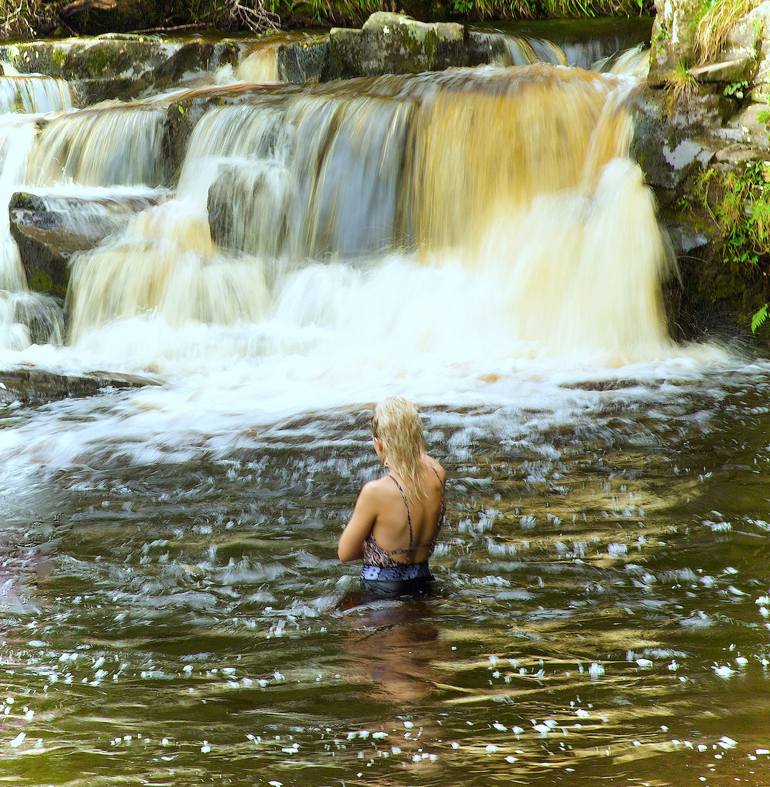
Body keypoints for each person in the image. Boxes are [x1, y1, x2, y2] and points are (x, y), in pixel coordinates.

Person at [338, 396, 446, 596]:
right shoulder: (437, 473)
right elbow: (419, 454)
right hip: (423, 583)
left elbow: (345, 553)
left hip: (382, 592)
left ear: (379, 444)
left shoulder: (376, 492)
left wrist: (378, 547)